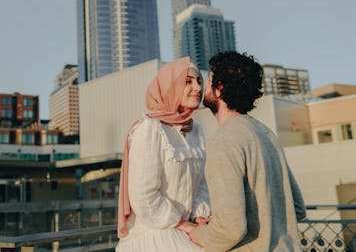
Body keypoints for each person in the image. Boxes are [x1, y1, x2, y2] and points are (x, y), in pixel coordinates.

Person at [189, 51, 306, 251]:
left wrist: (197, 233)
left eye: (208, 81)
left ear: (220, 89)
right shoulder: (266, 134)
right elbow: (297, 208)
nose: (203, 88)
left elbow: (231, 230)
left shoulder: (223, 141)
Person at [116, 56, 210, 252]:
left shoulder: (198, 130)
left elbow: (202, 182)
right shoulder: (150, 129)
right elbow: (143, 196)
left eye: (199, 81)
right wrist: (183, 225)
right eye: (188, 82)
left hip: (189, 228)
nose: (198, 88)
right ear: (170, 87)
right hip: (154, 233)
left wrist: (199, 215)